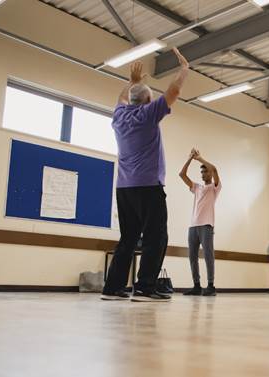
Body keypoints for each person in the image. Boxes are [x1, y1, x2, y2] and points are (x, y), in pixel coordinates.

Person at [101, 48, 190, 302]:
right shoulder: (148, 115)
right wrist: (184, 70)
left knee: (128, 237)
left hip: (124, 189)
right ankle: (144, 287)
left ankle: (113, 288)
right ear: (149, 101)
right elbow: (173, 92)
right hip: (148, 187)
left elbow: (121, 98)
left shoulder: (119, 117)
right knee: (156, 236)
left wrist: (133, 82)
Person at [180, 148, 222, 297]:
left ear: (210, 173)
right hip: (193, 226)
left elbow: (215, 169)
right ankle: (196, 286)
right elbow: (182, 174)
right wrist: (190, 158)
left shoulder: (214, 188)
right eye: (202, 172)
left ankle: (211, 286)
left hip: (206, 225)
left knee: (208, 255)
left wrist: (200, 158)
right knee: (192, 256)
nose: (204, 174)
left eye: (206, 172)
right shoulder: (197, 187)